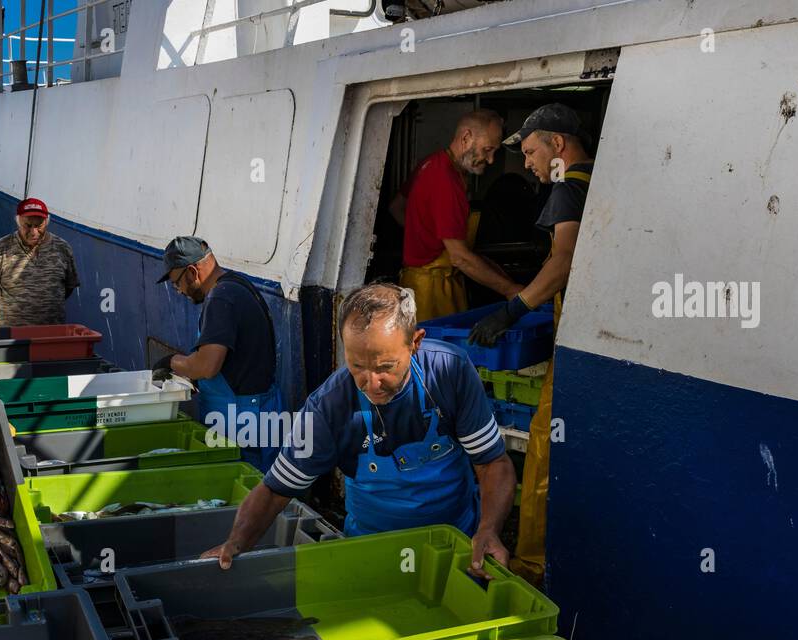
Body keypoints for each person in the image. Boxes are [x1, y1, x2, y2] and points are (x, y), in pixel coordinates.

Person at [205, 282, 517, 575]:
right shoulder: (328, 407)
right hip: (370, 552)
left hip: (457, 548)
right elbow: (276, 490)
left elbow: (492, 463)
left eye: (385, 367)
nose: (371, 382)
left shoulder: (450, 372)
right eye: (357, 366)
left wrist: (488, 530)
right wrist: (236, 543)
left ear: (415, 343)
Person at [471, 103, 594, 586]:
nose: (526, 163)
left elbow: (563, 263)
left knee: (543, 441)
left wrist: (512, 310)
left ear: (557, 145)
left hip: (575, 334)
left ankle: (529, 564)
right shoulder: (601, 178)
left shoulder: (567, 188)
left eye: (530, 151)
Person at [153, 237, 284, 471]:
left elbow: (207, 365)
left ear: (192, 272)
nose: (179, 291)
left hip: (241, 419)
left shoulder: (221, 298)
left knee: (246, 488)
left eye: (177, 283)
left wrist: (171, 362)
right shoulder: (237, 286)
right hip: (257, 410)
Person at [392, 109, 522, 323]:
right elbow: (460, 257)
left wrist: (423, 237)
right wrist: (509, 290)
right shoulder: (446, 181)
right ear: (466, 138)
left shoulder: (432, 163)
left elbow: (397, 208)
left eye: (494, 152)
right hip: (433, 293)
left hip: (416, 282)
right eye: (487, 150)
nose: (490, 160)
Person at [0, 197, 79, 326]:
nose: (33, 232)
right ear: (18, 222)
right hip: (10, 332)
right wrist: (14, 308)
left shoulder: (63, 248)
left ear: (46, 222)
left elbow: (69, 286)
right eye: (28, 226)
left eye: (39, 226)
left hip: (52, 332)